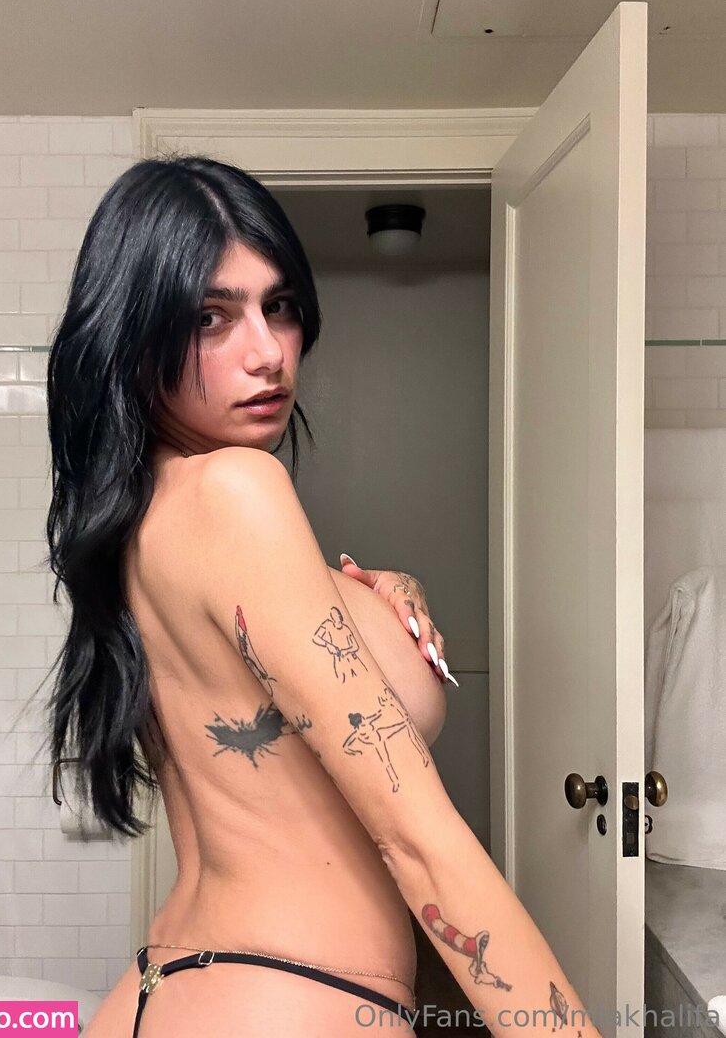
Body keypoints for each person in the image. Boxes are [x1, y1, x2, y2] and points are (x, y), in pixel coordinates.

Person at [41, 155, 602, 1037]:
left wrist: (383, 597)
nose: (267, 351)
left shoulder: (142, 519)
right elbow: (419, 840)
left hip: (176, 987)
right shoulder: (238, 491)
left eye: (281, 307)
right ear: (136, 334)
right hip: (283, 1001)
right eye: (211, 317)